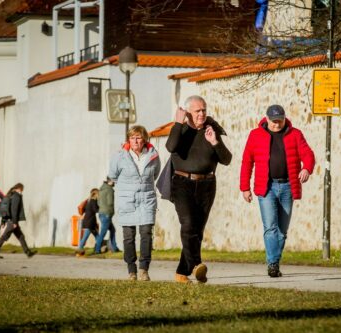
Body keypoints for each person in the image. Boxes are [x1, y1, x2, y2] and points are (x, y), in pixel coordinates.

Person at [240, 105, 315, 277]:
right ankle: (273, 264)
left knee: (282, 230)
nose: (276, 124)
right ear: (266, 119)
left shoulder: (295, 134)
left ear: (284, 118)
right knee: (270, 227)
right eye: (273, 121)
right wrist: (245, 187)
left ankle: (274, 261)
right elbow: (246, 162)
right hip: (266, 188)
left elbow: (308, 154)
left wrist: (306, 169)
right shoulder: (255, 135)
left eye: (279, 120)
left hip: (288, 186)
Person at [166, 95, 232, 283]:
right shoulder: (181, 130)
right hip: (182, 184)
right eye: (197, 111)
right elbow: (171, 147)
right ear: (188, 113)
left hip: (207, 185)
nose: (202, 113)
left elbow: (226, 160)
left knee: (197, 230)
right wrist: (178, 123)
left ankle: (181, 272)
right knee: (188, 225)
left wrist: (214, 142)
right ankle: (196, 265)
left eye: (204, 109)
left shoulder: (212, 131)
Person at [109, 125, 161, 281]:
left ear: (144, 139)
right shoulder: (120, 156)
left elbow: (155, 174)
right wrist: (127, 188)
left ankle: (144, 269)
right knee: (128, 236)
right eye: (132, 138)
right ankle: (132, 271)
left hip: (146, 199)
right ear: (128, 140)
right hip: (127, 201)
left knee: (146, 234)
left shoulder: (153, 155)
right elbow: (113, 175)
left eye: (138, 137)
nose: (135, 141)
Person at [0, 183, 37, 258]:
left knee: (21, 236)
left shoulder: (10, 195)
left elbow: (6, 208)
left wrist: (3, 221)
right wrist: (15, 222)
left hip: (11, 220)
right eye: (22, 189)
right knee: (4, 236)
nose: (22, 191)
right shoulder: (16, 196)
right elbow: (14, 210)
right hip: (12, 221)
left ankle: (28, 252)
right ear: (19, 188)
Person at [94, 177, 120, 254]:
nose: (115, 182)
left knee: (112, 230)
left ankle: (114, 248)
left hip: (101, 213)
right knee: (103, 233)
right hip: (107, 214)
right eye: (114, 181)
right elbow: (110, 202)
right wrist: (111, 212)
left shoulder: (101, 189)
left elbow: (98, 202)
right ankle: (97, 249)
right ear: (110, 181)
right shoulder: (109, 190)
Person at [75, 188, 99, 256]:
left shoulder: (88, 201)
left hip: (87, 221)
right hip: (90, 222)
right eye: (98, 194)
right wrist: (101, 207)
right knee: (86, 237)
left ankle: (98, 249)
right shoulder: (93, 201)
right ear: (95, 194)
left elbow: (86, 210)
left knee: (97, 236)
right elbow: (96, 210)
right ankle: (79, 249)